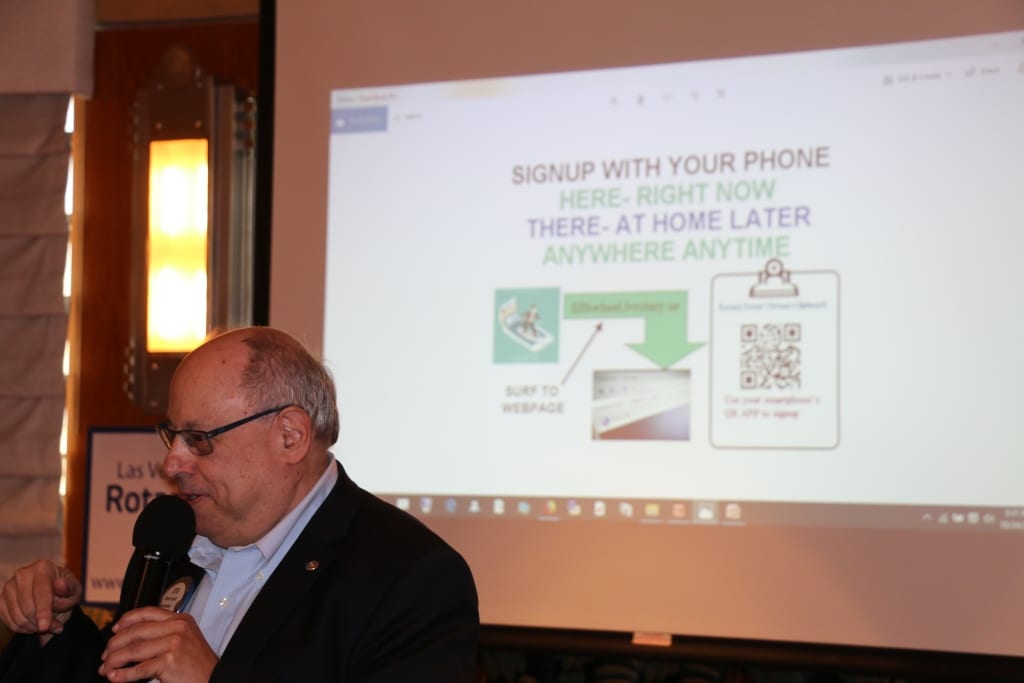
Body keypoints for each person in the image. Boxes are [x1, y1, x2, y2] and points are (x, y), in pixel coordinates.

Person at [0, 327, 480, 682]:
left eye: (198, 439)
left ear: (290, 436)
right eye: (173, 436)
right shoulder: (175, 542)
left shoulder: (410, 578)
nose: (172, 463)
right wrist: (55, 628)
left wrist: (212, 679)